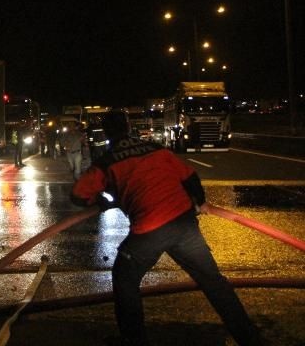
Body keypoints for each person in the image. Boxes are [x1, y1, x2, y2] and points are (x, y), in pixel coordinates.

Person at [70, 111, 263, 346]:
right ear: (128, 126)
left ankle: (133, 339)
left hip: (149, 230)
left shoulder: (107, 161)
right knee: (213, 282)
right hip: (184, 223)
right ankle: (250, 338)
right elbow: (191, 176)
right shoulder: (156, 149)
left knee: (124, 278)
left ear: (106, 131)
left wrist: (104, 200)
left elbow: (78, 195)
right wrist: (200, 203)